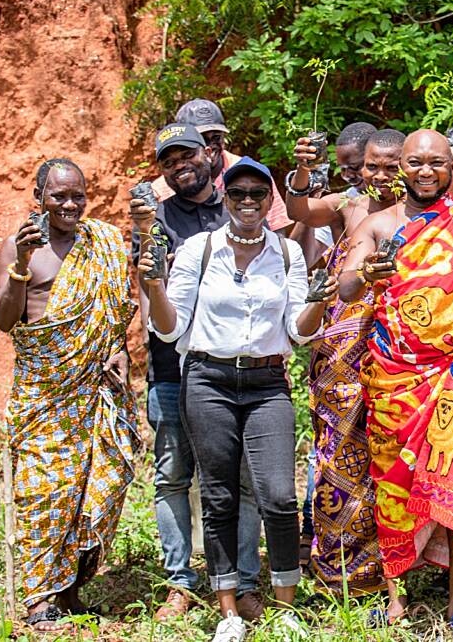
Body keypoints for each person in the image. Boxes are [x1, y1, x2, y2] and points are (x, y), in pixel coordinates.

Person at [339, 129, 453, 629]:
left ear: (451, 166)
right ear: (400, 165)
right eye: (416, 162)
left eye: (437, 163)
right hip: (393, 374)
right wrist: (367, 277)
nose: (426, 172)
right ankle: (396, 596)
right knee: (391, 484)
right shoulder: (379, 224)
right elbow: (346, 284)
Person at [139, 156, 316, 642]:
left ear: (269, 201)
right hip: (208, 379)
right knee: (218, 494)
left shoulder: (286, 254)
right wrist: (154, 284)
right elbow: (170, 327)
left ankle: (284, 609)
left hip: (266, 383)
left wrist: (317, 302)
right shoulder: (200, 249)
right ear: (226, 199)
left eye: (257, 194)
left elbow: (297, 333)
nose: (247, 202)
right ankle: (229, 610)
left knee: (278, 496)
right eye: (236, 193)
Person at [0, 159, 139, 632]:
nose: (70, 205)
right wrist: (18, 267)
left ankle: (70, 592)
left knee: (98, 485)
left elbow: (115, 310)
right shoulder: (20, 248)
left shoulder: (103, 243)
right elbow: (3, 319)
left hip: (94, 390)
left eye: (78, 195)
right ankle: (39, 601)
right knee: (44, 490)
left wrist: (116, 349)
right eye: (59, 196)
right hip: (43, 393)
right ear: (39, 196)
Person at [132, 123, 266, 622]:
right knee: (172, 475)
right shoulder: (153, 218)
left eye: (188, 154)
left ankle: (244, 581)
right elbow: (150, 295)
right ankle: (179, 583)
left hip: (237, 372)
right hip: (171, 370)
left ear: (211, 154)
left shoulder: (241, 201)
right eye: (169, 161)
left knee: (244, 480)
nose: (179, 165)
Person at [286, 129, 405, 594]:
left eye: (388, 167)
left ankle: (396, 571)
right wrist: (300, 170)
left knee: (389, 454)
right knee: (339, 452)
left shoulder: (422, 213)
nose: (376, 175)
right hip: (340, 347)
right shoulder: (351, 204)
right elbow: (298, 211)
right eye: (370, 166)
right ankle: (341, 568)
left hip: (393, 341)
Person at [152, 98, 293, 234]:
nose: (211, 146)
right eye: (202, 139)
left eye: (216, 138)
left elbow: (276, 232)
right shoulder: (165, 188)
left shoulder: (251, 174)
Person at [286, 121, 377, 267]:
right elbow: (300, 259)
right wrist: (303, 171)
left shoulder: (408, 198)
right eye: (343, 169)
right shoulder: (344, 204)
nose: (347, 176)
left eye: (354, 167)